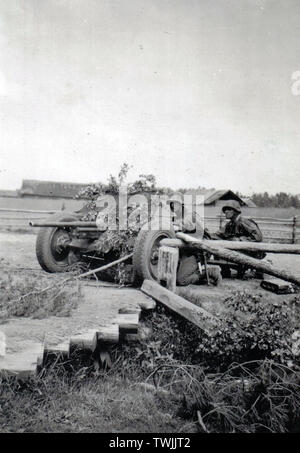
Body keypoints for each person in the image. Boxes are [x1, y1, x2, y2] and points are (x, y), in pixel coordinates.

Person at [211, 200, 266, 278]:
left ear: (235, 211)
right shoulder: (229, 225)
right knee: (216, 250)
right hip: (239, 251)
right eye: (225, 210)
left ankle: (253, 269)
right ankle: (225, 272)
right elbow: (218, 235)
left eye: (229, 209)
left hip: (251, 252)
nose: (226, 212)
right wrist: (206, 234)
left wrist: (239, 240)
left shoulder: (244, 222)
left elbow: (258, 237)